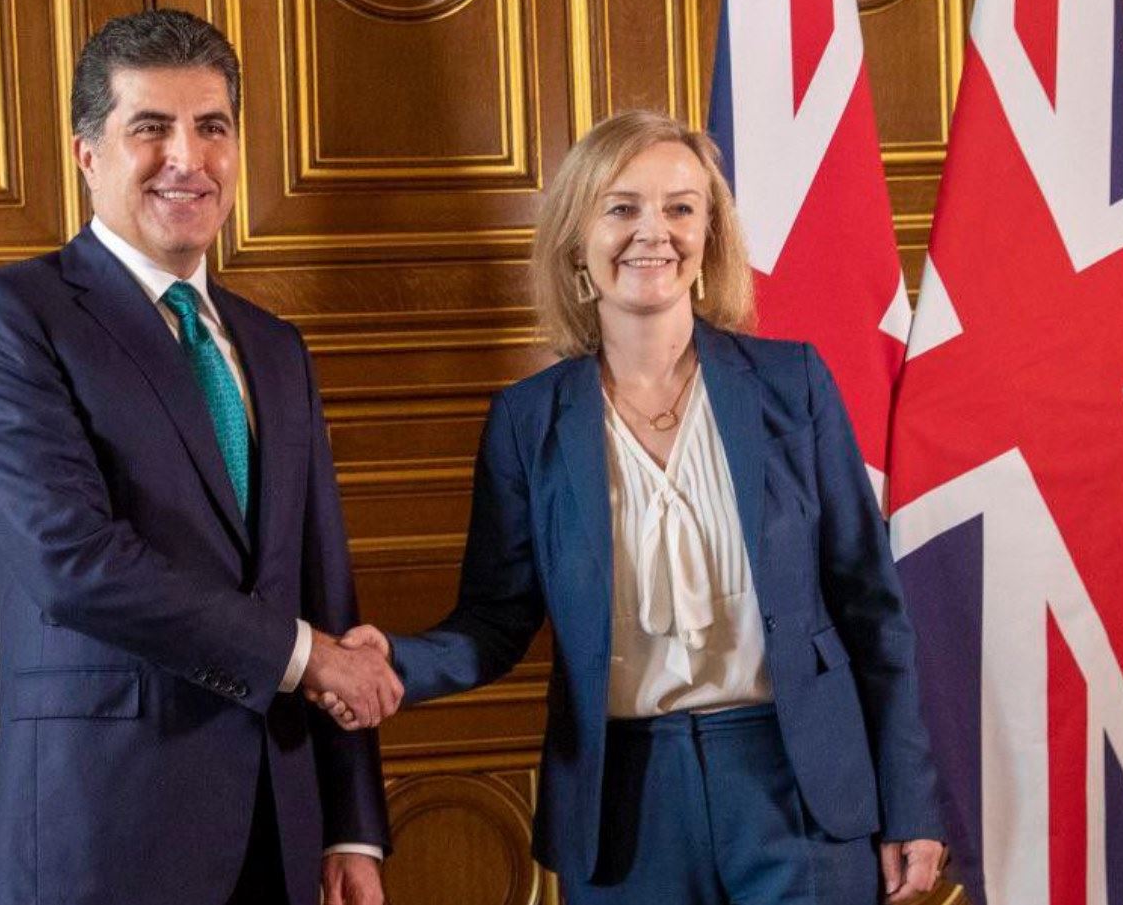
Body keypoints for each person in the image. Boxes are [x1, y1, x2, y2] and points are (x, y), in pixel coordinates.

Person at [321, 110, 946, 904]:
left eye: (681, 207)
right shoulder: (527, 421)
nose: (654, 231)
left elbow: (871, 606)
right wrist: (394, 662)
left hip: (799, 789)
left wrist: (911, 800)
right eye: (622, 207)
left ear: (709, 234)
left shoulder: (794, 384)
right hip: (622, 802)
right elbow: (496, 620)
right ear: (577, 237)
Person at [0, 9, 401, 905]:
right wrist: (306, 657)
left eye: (212, 127)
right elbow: (71, 562)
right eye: (150, 127)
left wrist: (351, 822)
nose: (187, 157)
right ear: (87, 155)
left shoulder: (276, 347)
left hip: (279, 825)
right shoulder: (5, 318)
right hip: (102, 829)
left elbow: (323, 585)